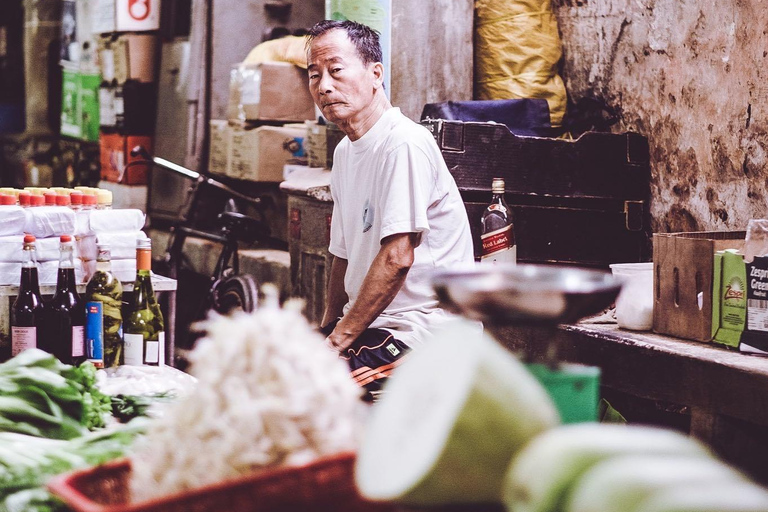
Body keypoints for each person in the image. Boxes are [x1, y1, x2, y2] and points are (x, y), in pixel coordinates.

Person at [307, 20, 475, 400]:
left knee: (305, 397)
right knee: (265, 377)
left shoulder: (404, 144)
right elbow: (342, 256)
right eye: (314, 75)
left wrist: (335, 346)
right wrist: (328, 329)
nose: (324, 86)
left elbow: (398, 257)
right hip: (372, 328)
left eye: (335, 70)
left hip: (423, 335)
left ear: (375, 73)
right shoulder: (346, 152)